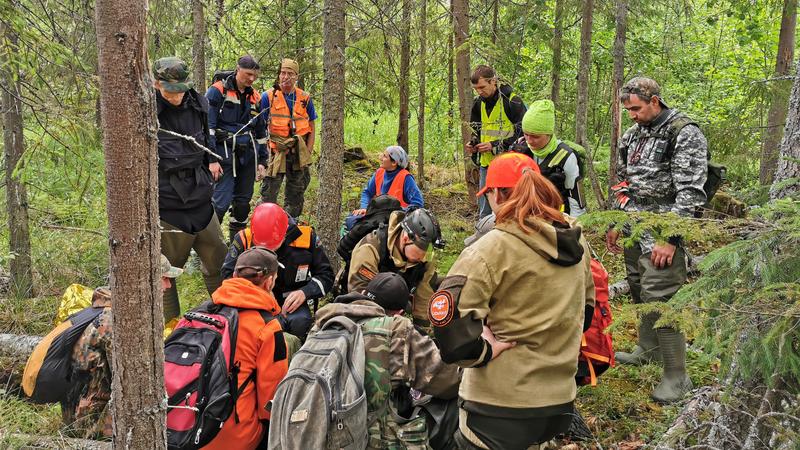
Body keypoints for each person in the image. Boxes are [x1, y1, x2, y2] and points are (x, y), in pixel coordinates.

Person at [431, 152, 595, 450]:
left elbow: (448, 325)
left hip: (497, 406)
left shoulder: (491, 248)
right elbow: (586, 312)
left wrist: (484, 351)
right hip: (558, 401)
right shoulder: (575, 240)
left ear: (495, 194)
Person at [607, 77, 707, 403]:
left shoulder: (684, 133)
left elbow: (691, 191)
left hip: (664, 234)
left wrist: (672, 239)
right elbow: (621, 181)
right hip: (634, 229)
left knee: (662, 299)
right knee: (639, 289)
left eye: (636, 108)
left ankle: (677, 377)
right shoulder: (631, 136)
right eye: (628, 109)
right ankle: (647, 350)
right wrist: (615, 221)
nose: (632, 114)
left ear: (654, 100)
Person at [312, 272, 460, 448]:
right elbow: (448, 381)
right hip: (367, 440)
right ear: (399, 313)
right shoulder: (395, 330)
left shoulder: (323, 324)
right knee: (455, 403)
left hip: (316, 434)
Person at [63, 255, 183, 439]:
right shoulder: (120, 322)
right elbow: (134, 385)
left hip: (84, 410)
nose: (168, 285)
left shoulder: (110, 309)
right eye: (164, 278)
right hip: (91, 421)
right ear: (145, 281)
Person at [153, 56, 228, 321]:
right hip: (170, 208)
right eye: (169, 91)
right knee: (164, 273)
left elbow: (206, 136)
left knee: (219, 259)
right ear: (156, 83)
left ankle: (226, 316)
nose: (176, 97)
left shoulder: (197, 101)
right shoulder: (147, 110)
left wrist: (211, 158)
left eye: (180, 90)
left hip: (201, 200)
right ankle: (168, 329)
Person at [203, 247, 289, 449]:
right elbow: (271, 401)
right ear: (269, 282)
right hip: (233, 437)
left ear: (234, 275)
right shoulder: (267, 327)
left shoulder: (201, 312)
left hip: (185, 427)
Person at [221, 202, 333, 341]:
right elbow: (227, 277)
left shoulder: (305, 239)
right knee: (247, 328)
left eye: (272, 248)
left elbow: (326, 276)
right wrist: (258, 293)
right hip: (252, 301)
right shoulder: (244, 239)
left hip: (290, 302)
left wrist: (305, 292)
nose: (269, 252)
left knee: (300, 322)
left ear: (285, 234)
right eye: (262, 248)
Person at [348, 208, 445, 328]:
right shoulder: (370, 248)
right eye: (422, 249)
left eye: (429, 251)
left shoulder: (424, 260)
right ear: (406, 239)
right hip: (367, 301)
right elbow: (360, 295)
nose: (425, 257)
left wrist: (422, 334)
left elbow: (424, 299)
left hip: (398, 301)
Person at [206, 55, 268, 240]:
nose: (251, 79)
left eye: (255, 76)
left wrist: (262, 161)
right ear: (238, 69)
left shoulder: (255, 96)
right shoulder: (217, 92)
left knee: (242, 204)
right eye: (248, 74)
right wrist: (211, 159)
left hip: (247, 157)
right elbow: (207, 128)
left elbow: (260, 131)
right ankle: (207, 247)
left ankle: (236, 247)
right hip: (223, 155)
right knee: (220, 203)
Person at [467, 65, 526, 219]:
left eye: (482, 87)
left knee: (509, 209)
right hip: (487, 165)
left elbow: (523, 136)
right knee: (485, 212)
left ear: (493, 81)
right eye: (475, 88)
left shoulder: (512, 101)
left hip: (509, 166)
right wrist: (474, 144)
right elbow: (477, 132)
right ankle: (484, 239)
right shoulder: (477, 104)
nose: (479, 91)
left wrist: (494, 145)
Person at [260, 58, 317, 218]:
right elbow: (260, 127)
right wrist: (264, 153)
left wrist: (308, 151)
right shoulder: (268, 97)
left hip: (298, 153)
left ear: (296, 76)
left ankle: (290, 226)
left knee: (296, 194)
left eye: (290, 74)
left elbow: (312, 126)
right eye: (283, 73)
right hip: (275, 152)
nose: (286, 77)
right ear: (279, 75)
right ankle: (266, 223)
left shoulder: (305, 98)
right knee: (269, 193)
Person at [519, 99, 586, 217]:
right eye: (526, 134)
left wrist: (574, 228)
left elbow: (576, 200)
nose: (529, 140)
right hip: (526, 215)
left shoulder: (566, 156)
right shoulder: (521, 149)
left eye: (535, 136)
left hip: (556, 217)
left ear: (549, 134)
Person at [345, 145, 424, 231]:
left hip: (395, 221)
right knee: (350, 220)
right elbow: (367, 192)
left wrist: (398, 213)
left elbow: (417, 203)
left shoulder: (406, 178)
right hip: (377, 215)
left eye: (384, 156)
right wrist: (364, 207)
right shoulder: (380, 172)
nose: (380, 158)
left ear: (394, 163)